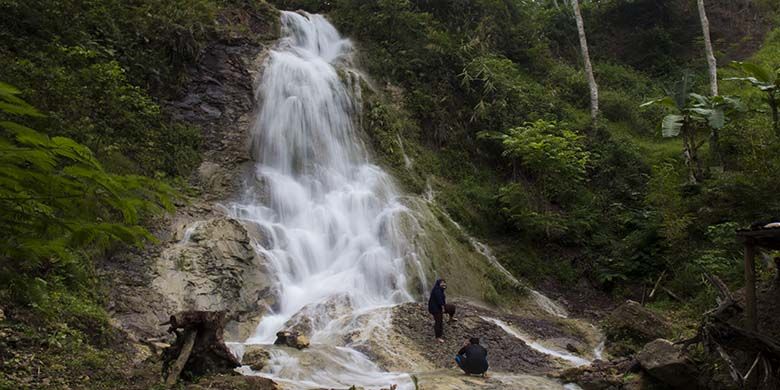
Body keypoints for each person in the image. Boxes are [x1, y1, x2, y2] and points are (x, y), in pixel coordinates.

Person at [427, 279, 457, 343]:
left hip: (439, 306)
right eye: (442, 283)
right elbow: (439, 300)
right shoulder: (437, 290)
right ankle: (438, 337)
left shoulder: (440, 289)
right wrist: (443, 308)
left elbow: (442, 300)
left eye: (444, 283)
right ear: (438, 284)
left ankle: (450, 319)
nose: (444, 284)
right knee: (439, 321)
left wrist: (443, 306)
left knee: (452, 307)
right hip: (435, 308)